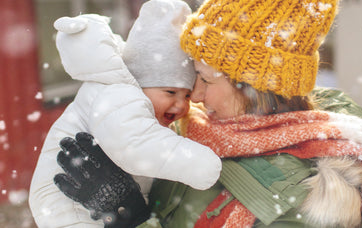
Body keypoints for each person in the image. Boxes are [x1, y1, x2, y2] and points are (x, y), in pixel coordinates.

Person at [54, 0, 362, 227]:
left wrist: (125, 213)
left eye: (205, 79)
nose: (196, 95)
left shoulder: (307, 201)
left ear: (256, 86)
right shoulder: (209, 128)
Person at [28, 1, 222, 227]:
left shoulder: (130, 101)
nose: (181, 105)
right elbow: (133, 146)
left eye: (187, 96)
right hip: (68, 203)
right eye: (170, 92)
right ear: (141, 83)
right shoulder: (119, 95)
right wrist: (199, 164)